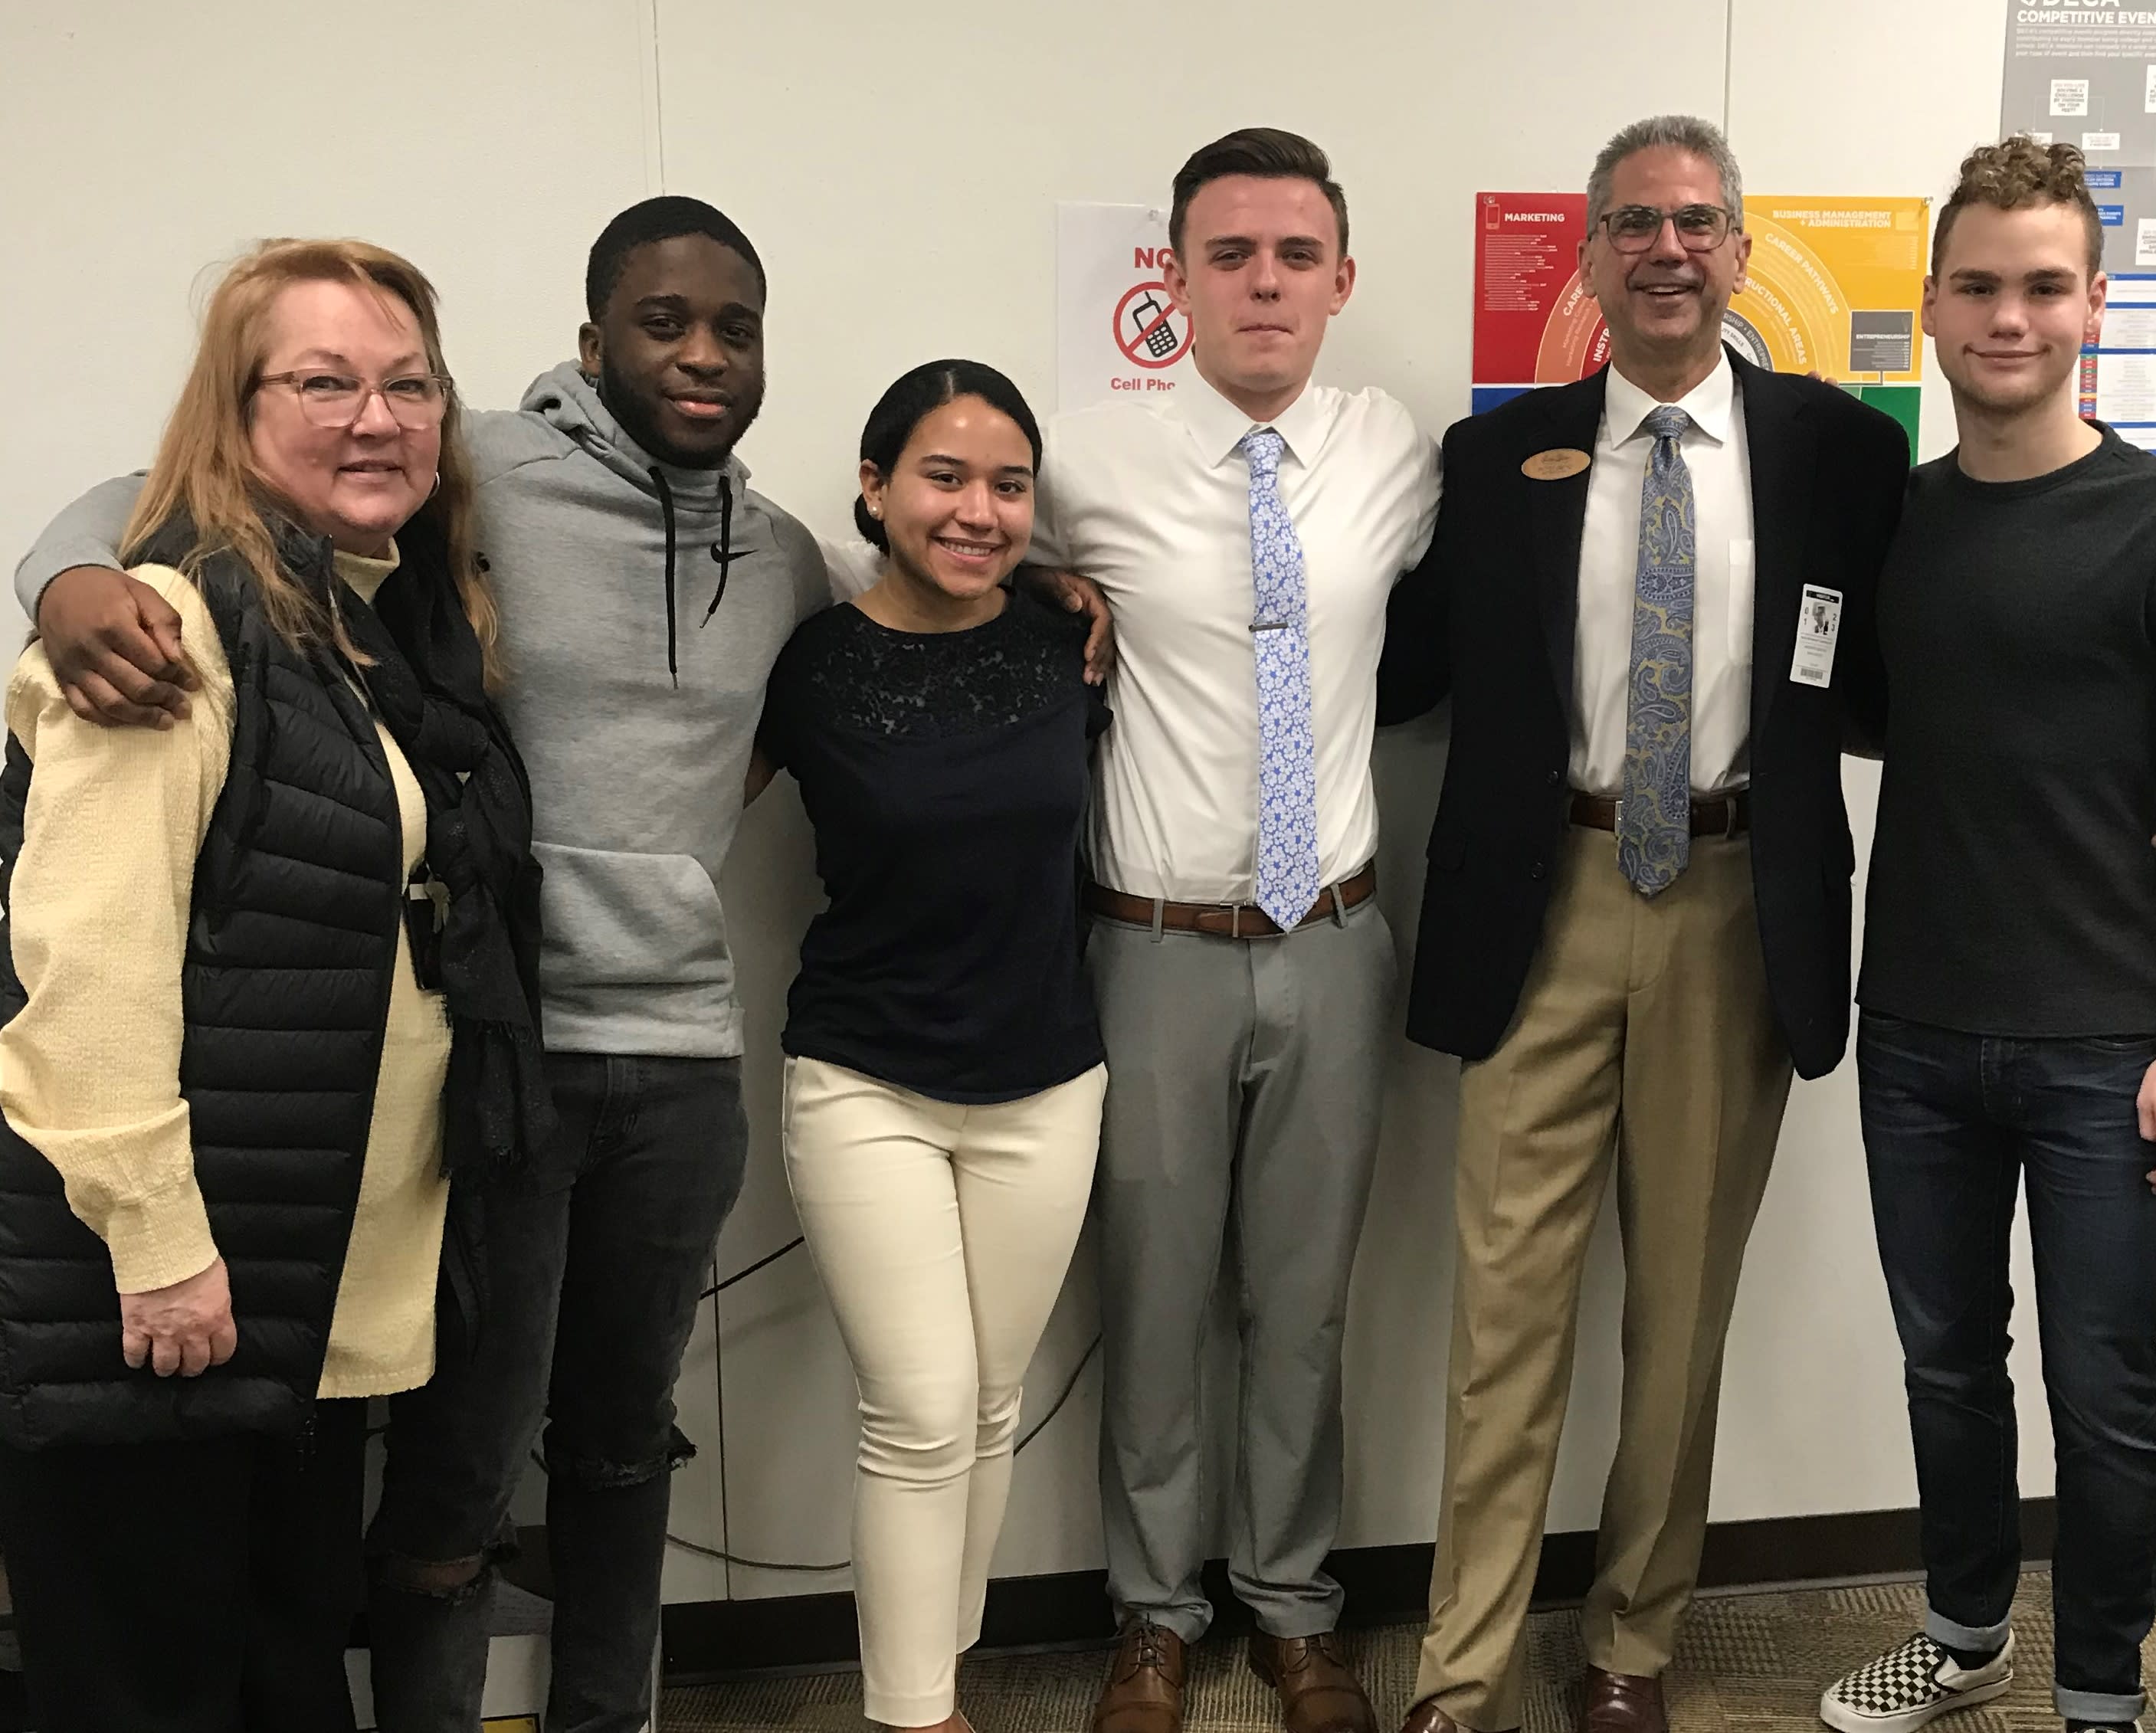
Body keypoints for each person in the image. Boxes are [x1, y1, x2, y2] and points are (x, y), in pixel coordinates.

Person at [1378, 116, 1913, 1733]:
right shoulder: (1496, 459)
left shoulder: (1841, 455)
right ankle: (1462, 1670)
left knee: (1680, 1316)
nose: (1669, 249)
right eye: (1635, 224)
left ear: (1742, 253)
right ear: (1592, 261)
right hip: (1540, 903)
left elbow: (1923, 675)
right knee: (1505, 1317)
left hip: (1741, 907)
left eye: (1699, 221)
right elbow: (1390, 671)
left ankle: (1629, 1648)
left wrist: (2106, 783)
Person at [0, 238, 545, 1731]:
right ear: (235, 412)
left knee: (281, 1668)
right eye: (323, 382)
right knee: (149, 1690)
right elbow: (84, 961)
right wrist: (158, 1241)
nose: (375, 417)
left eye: (406, 384)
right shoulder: (169, 633)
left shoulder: (374, 625)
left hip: (296, 1291)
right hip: (169, 1295)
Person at [1817, 137, 2156, 1733]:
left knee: (2104, 1398)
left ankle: (2099, 1694)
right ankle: (1964, 1636)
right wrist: (2078, 784)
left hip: (2111, 1040)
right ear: (1936, 307)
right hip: (1919, 1033)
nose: (2007, 315)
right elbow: (1896, 716)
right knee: (1947, 1372)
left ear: (2093, 304)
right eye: (1979, 285)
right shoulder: (1898, 523)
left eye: (2042, 285)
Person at [1034, 128, 1440, 1733]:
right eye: (1229, 255)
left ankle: (1294, 1605)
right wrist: (1048, 605)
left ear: (1341, 280)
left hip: (1338, 940)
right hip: (1152, 952)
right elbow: (937, 568)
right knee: (1147, 1291)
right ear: (1179, 277)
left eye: (1293, 257)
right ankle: (1152, 1614)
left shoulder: (1392, 450)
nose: (1263, 283)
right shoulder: (1079, 459)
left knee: (1304, 1298)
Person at [759, 360, 1108, 1733]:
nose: (978, 510)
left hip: (1045, 1080)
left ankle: (932, 1673)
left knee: (987, 1402)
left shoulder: (1066, 638)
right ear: (875, 487)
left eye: (1008, 485)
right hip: (864, 1080)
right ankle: (915, 1717)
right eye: (944, 477)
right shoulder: (811, 667)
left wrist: (1078, 593)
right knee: (915, 1407)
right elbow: (679, 808)